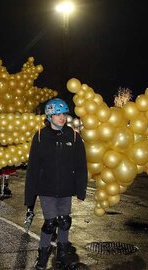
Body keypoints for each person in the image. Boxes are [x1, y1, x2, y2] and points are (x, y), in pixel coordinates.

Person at [24, 98, 88, 269]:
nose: (62, 117)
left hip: (66, 189)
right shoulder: (39, 137)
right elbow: (33, 168)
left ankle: (62, 254)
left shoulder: (73, 136)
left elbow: (81, 165)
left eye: (64, 114)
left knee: (65, 221)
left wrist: (81, 190)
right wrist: (29, 197)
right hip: (46, 189)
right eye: (58, 114)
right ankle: (42, 256)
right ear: (50, 115)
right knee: (51, 223)